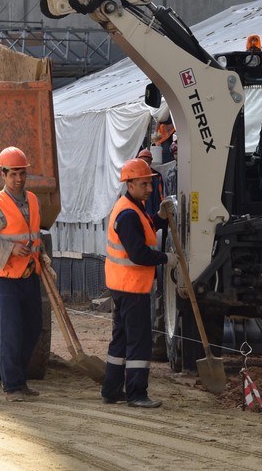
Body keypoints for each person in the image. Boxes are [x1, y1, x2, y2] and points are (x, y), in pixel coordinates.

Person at [0, 146, 52, 402]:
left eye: (22, 174)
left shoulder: (34, 201)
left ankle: (20, 379)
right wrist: (9, 249)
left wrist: (45, 261)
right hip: (5, 278)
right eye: (14, 174)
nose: (19, 179)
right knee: (11, 331)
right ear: (3, 175)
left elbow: (35, 238)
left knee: (34, 327)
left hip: (29, 276)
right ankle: (12, 386)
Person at [101, 158, 177, 408]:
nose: (149, 188)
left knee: (121, 340)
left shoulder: (133, 208)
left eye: (150, 183)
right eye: (145, 184)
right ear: (130, 183)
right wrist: (166, 258)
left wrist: (159, 217)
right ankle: (136, 393)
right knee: (138, 341)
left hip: (123, 285)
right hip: (132, 287)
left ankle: (111, 390)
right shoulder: (128, 214)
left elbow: (146, 229)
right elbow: (138, 253)